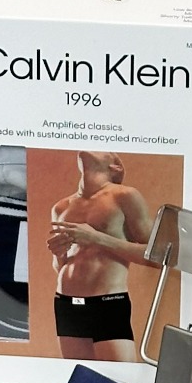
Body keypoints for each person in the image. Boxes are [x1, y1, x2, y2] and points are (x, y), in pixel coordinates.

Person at [46, 153, 153, 362]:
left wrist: (96, 238)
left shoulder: (125, 196)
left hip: (107, 303)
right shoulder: (61, 207)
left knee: (120, 377)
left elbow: (156, 256)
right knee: (80, 375)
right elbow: (61, 266)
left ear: (115, 167)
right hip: (66, 303)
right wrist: (59, 255)